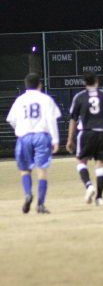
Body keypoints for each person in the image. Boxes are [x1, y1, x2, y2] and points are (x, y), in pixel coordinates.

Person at [5, 73, 62, 214]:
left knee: (25, 170)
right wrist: (55, 139)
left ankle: (28, 194)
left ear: (26, 85)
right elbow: (51, 120)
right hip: (41, 136)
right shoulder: (46, 99)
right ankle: (40, 204)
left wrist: (20, 130)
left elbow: (11, 120)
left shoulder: (20, 100)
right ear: (39, 84)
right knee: (41, 170)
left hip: (24, 136)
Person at [66, 72, 103, 206]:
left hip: (86, 133)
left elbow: (73, 119)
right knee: (100, 164)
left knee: (81, 162)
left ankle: (89, 185)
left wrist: (69, 139)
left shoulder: (79, 97)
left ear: (84, 83)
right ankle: (100, 198)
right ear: (97, 81)